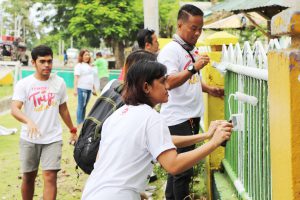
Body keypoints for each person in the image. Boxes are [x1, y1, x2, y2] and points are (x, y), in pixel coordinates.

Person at [81, 60, 232, 200]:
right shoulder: (151, 118)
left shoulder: (117, 115)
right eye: (162, 81)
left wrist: (206, 136)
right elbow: (173, 165)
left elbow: (161, 142)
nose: (167, 86)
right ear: (146, 87)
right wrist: (214, 143)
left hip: (92, 192)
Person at [157, 4, 224, 200]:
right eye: (193, 28)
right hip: (177, 118)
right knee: (181, 171)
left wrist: (209, 88)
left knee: (180, 171)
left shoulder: (190, 50)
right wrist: (194, 68)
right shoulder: (171, 51)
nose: (197, 33)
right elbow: (168, 82)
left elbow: (190, 80)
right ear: (180, 25)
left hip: (191, 117)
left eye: (200, 29)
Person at [10, 45, 78, 200]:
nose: (47, 65)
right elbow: (15, 109)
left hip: (52, 138)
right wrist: (28, 121)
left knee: (50, 176)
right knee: (28, 176)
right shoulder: (24, 84)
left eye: (49, 61)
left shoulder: (58, 82)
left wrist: (72, 129)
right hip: (29, 138)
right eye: (42, 61)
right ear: (34, 62)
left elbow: (63, 109)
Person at [73, 49, 97, 129]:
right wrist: (75, 89)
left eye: (88, 55)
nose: (87, 56)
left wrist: (93, 89)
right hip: (81, 88)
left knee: (84, 106)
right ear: (81, 56)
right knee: (81, 106)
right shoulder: (79, 65)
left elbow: (92, 78)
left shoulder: (90, 66)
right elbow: (76, 78)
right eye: (85, 55)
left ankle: (82, 122)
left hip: (89, 89)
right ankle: (79, 123)